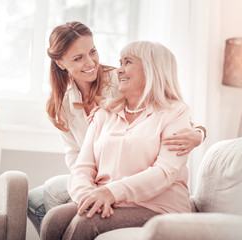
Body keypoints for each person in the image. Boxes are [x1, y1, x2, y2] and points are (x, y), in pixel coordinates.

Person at [28, 21, 206, 234]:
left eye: (92, 51)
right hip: (102, 179)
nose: (90, 62)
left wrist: (199, 133)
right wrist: (92, 193)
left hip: (142, 193)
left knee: (71, 210)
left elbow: (169, 108)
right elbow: (77, 159)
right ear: (61, 64)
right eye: (78, 58)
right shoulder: (75, 107)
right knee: (48, 214)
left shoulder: (121, 80)